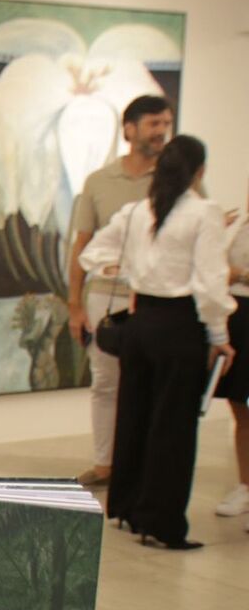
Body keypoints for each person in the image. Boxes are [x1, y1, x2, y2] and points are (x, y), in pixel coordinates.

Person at [80, 135, 235, 550]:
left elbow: (91, 254)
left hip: (140, 323)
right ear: (199, 172)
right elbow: (209, 283)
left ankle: (127, 508)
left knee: (133, 415)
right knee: (173, 426)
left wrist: (131, 270)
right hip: (179, 326)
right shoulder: (205, 212)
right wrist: (219, 336)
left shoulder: (136, 211)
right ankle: (161, 523)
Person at [66, 95, 174, 487]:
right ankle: (105, 464)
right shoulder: (99, 181)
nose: (161, 131)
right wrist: (74, 305)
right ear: (130, 129)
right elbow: (81, 245)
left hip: (157, 298)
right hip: (105, 295)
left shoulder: (176, 180)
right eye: (153, 123)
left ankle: (141, 464)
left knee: (148, 382)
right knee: (105, 380)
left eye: (166, 123)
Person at [214, 211, 249, 526]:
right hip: (237, 314)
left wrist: (239, 274)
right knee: (239, 404)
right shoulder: (239, 222)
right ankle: (245, 486)